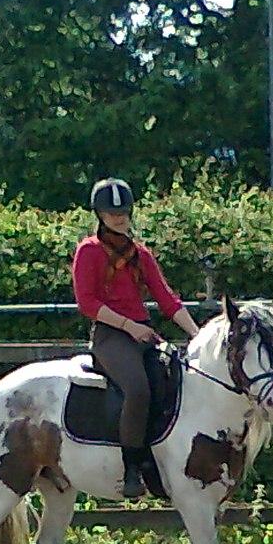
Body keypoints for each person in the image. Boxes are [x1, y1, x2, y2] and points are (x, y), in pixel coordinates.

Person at [72, 178, 199, 498]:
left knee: (174, 381)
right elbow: (88, 303)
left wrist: (197, 335)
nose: (119, 217)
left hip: (142, 332)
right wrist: (130, 326)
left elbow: (168, 300)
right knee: (138, 388)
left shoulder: (141, 255)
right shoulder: (88, 251)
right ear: (99, 214)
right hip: (111, 335)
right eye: (111, 211)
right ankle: (132, 467)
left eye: (123, 211)